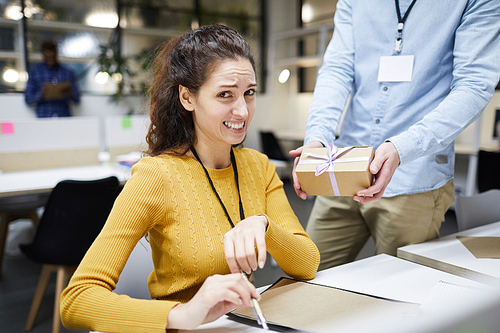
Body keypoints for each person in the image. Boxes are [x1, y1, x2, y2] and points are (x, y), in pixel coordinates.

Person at [60, 24, 320, 332]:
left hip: (241, 324)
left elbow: (307, 264)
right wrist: (182, 315)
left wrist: (263, 225)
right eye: (225, 94)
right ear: (187, 97)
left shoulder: (258, 166)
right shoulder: (155, 176)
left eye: (248, 93)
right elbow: (76, 299)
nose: (242, 111)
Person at [290, 0, 500, 270]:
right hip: (344, 167)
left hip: (414, 176)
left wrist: (403, 148)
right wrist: (317, 139)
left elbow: (473, 85)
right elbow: (337, 71)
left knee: (402, 296)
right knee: (305, 275)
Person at [24, 40, 80, 117]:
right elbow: (28, 99)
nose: (50, 58)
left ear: (56, 53)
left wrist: (69, 93)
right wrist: (41, 94)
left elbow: (77, 99)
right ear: (43, 54)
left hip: (64, 116)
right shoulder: (35, 73)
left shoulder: (68, 73)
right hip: (44, 116)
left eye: (52, 56)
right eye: (48, 56)